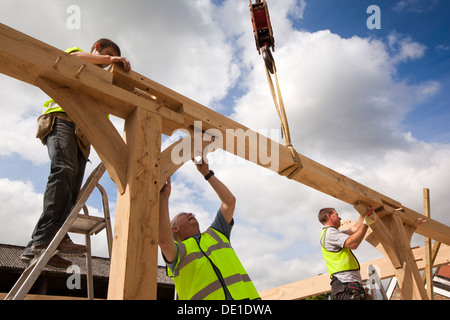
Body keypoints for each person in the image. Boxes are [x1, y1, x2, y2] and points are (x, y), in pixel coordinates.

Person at [21, 39, 131, 268]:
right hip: (62, 120)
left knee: (73, 191)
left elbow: (102, 120)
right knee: (64, 169)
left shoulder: (99, 87)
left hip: (83, 135)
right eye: (106, 55)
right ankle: (43, 240)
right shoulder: (78, 56)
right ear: (97, 47)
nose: (105, 64)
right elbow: (76, 59)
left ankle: (46, 243)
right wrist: (110, 60)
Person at [158, 155, 260, 300]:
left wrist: (207, 173)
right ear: (174, 228)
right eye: (183, 214)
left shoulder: (216, 233)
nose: (190, 213)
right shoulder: (178, 252)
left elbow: (229, 202)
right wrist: (163, 199)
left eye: (191, 212)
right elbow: (163, 241)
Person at [318, 207, 376, 300]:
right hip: (345, 284)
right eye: (337, 215)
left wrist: (363, 215)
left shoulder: (333, 233)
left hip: (349, 284)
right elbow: (353, 243)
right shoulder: (330, 233)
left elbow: (354, 230)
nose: (340, 218)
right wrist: (366, 223)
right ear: (329, 216)